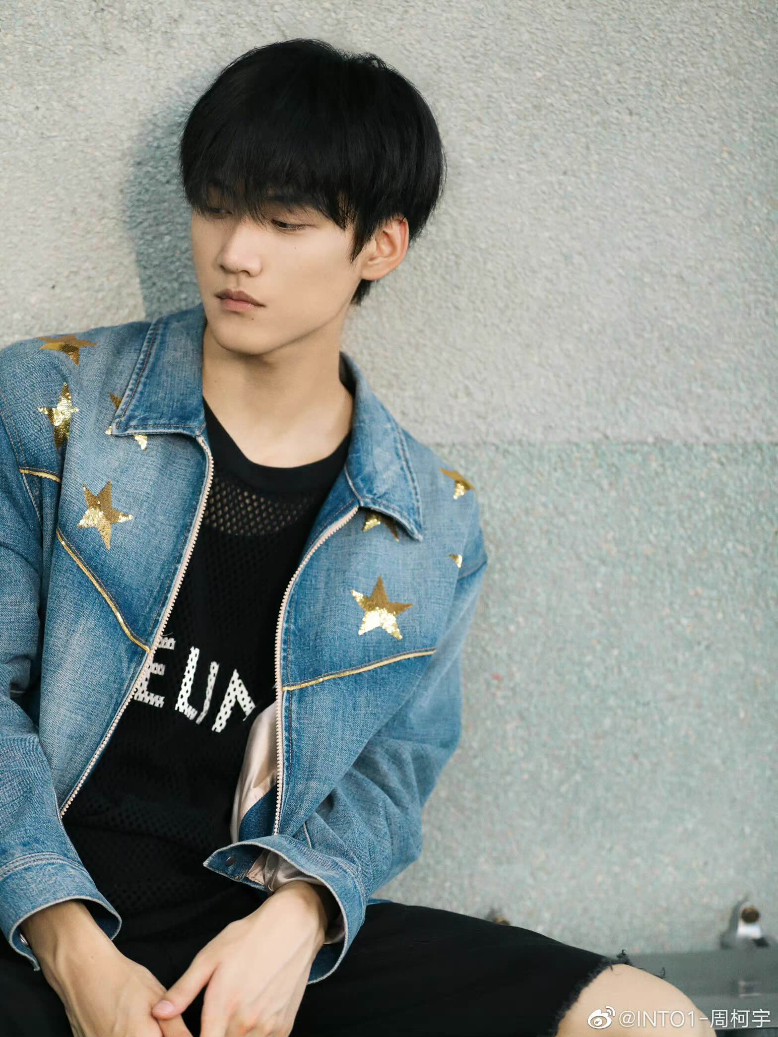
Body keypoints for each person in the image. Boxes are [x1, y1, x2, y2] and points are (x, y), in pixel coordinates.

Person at [0, 37, 715, 1037]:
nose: (235, 252)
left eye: (284, 222)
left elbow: (393, 771)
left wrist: (300, 917)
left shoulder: (429, 518)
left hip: (247, 921)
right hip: (39, 906)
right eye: (217, 205)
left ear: (380, 246)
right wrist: (75, 954)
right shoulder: (53, 404)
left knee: (647, 1020)